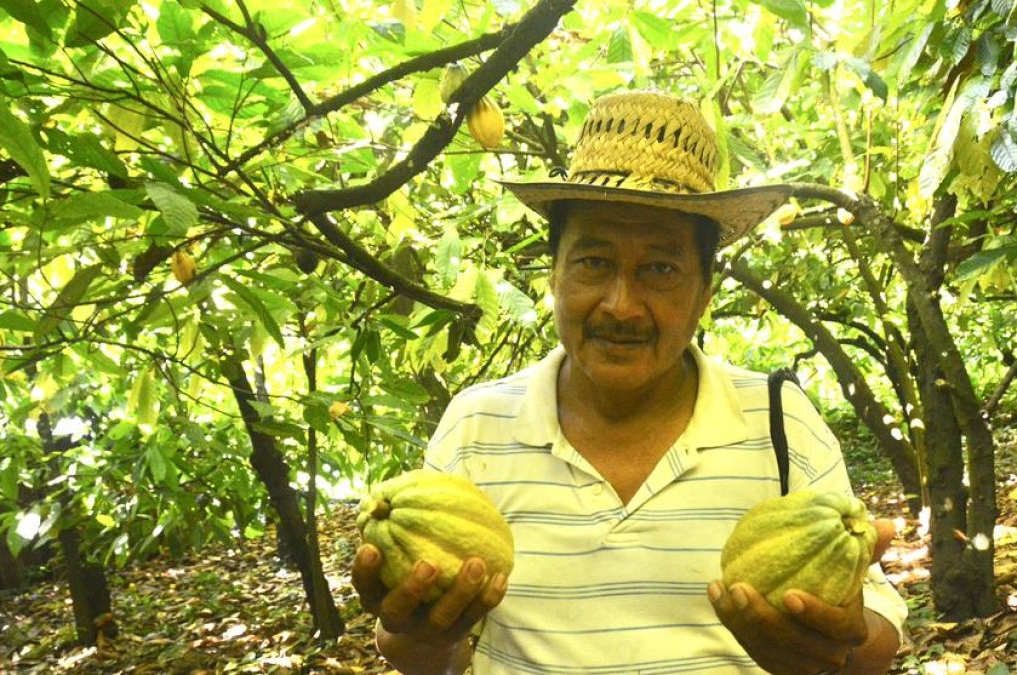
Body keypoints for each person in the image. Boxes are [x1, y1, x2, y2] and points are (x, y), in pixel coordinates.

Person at [352, 90, 907, 674]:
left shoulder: (777, 415)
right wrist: (423, 633)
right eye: (594, 262)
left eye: (660, 269)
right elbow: (424, 659)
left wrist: (831, 651)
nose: (621, 305)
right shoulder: (477, 423)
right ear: (555, 275)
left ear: (704, 292)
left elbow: (873, 627)